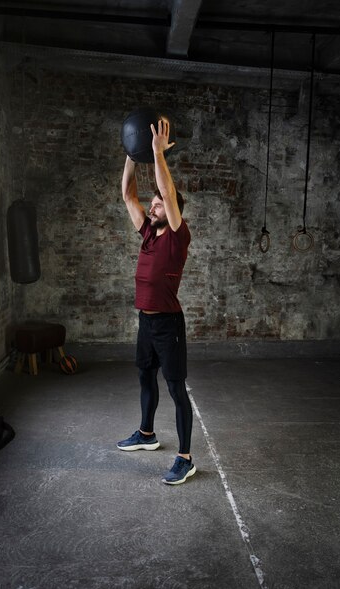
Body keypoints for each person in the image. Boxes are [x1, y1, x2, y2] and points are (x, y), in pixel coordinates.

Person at [117, 118, 195, 485]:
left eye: (160, 205)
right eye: (154, 204)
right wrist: (132, 156)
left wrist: (157, 153)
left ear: (174, 209)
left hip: (168, 324)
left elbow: (166, 187)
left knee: (176, 388)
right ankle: (147, 434)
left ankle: (185, 457)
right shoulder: (148, 232)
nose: (153, 207)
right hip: (146, 322)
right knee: (144, 376)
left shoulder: (178, 235)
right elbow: (127, 195)